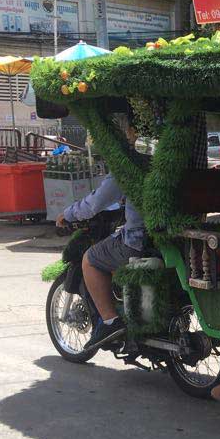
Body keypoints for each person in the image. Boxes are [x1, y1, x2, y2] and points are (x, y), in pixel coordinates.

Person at [56, 114, 146, 352]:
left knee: (91, 259)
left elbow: (96, 203)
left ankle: (110, 321)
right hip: (168, 238)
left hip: (138, 241)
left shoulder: (129, 163)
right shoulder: (162, 161)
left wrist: (68, 214)